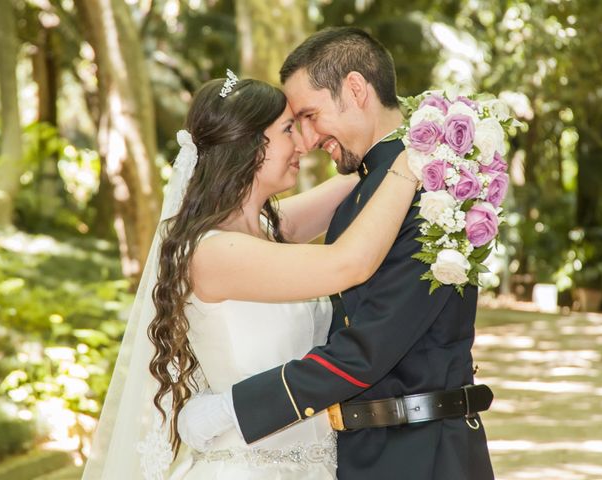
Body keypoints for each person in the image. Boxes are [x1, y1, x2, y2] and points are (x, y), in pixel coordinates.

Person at [182, 27, 495, 480]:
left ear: (354, 89)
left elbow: (370, 335)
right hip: (350, 453)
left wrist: (430, 153)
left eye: (308, 116)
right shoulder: (364, 194)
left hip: (421, 454)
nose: (306, 141)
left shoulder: (432, 191)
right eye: (292, 127)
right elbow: (339, 248)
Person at [81, 72, 418, 480]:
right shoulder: (213, 253)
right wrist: (412, 163)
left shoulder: (265, 228)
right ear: (250, 144)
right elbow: (350, 263)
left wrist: (407, 131)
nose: (303, 144)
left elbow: (356, 181)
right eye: (289, 129)